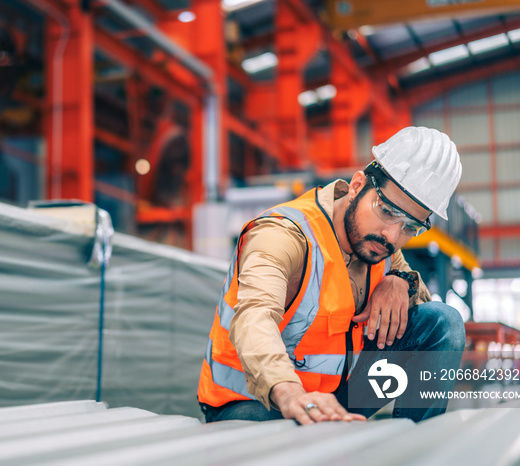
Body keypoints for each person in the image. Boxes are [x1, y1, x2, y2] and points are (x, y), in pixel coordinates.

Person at [197, 126, 466, 425]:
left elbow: (420, 303)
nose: (392, 235)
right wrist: (290, 394)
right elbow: (254, 317)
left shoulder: (382, 244)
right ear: (357, 186)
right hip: (255, 401)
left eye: (410, 227)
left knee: (443, 323)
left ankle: (418, 446)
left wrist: (402, 282)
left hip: (338, 396)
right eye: (387, 211)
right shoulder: (283, 235)